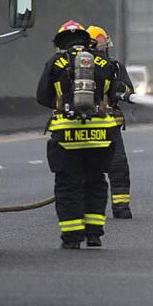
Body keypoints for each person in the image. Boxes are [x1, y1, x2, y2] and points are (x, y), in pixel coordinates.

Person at [36, 20, 122, 249]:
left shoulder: (56, 62)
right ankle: (94, 234)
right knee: (95, 182)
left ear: (60, 42)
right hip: (100, 134)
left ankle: (72, 238)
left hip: (67, 135)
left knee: (68, 185)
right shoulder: (104, 62)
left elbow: (42, 96)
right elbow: (114, 95)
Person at [88, 25, 135, 219]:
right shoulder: (80, 65)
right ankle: (86, 207)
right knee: (88, 168)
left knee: (118, 166)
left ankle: (121, 206)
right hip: (87, 126)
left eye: (104, 43)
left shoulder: (114, 67)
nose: (104, 47)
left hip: (109, 124)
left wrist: (118, 89)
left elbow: (128, 90)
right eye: (101, 43)